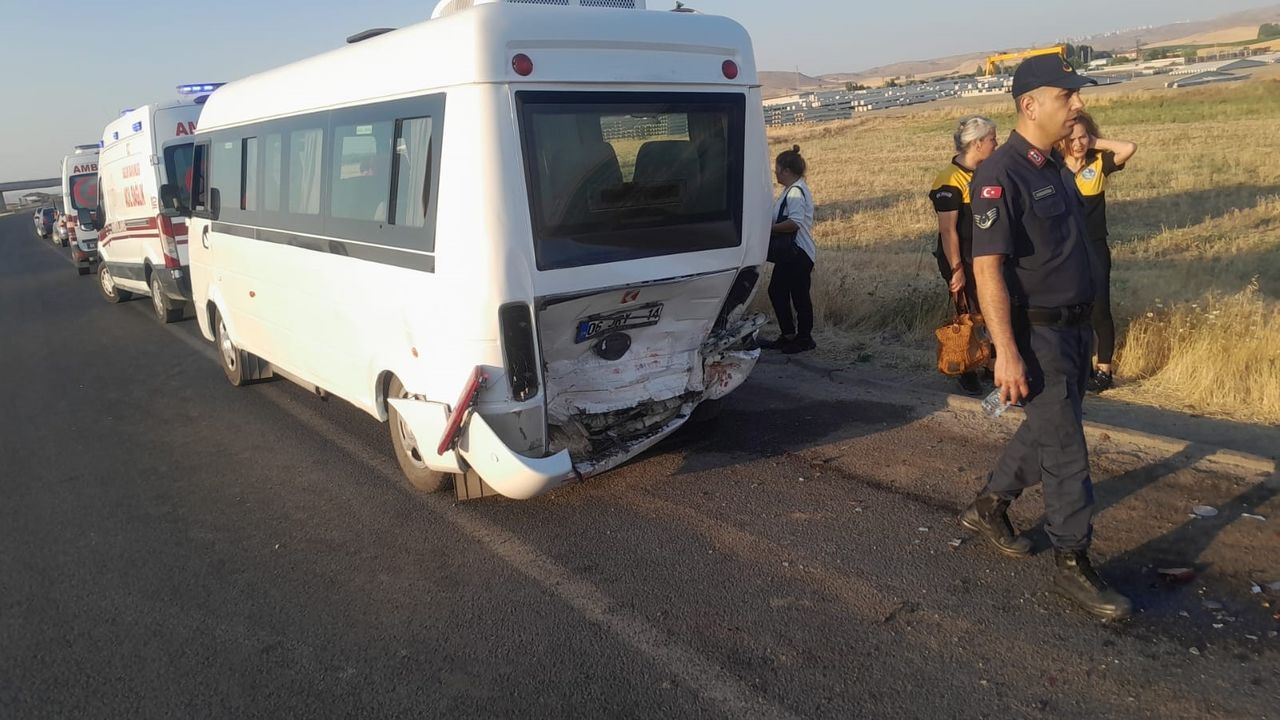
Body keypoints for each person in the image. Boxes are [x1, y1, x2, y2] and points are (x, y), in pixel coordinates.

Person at [961, 54, 1131, 620]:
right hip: (1038, 338)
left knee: (1046, 430)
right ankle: (1072, 562)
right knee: (1066, 451)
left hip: (1075, 331)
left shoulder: (1054, 166)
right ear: (1030, 105)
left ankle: (989, 505)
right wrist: (1006, 353)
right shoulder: (1001, 175)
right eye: (1067, 96)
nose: (1078, 104)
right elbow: (987, 268)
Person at [1058, 112, 1137, 393]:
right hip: (1066, 249)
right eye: (1072, 139)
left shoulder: (1099, 163)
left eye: (1083, 138)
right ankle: (1083, 366)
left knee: (1100, 308)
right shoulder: (1055, 169)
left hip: (1094, 247)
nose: (1078, 143)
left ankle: (1104, 370)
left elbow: (1129, 148)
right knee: (1074, 309)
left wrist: (1095, 142)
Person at [929, 115, 999, 395]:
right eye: (992, 139)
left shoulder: (986, 172)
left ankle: (990, 364)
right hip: (962, 258)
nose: (996, 143)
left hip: (986, 256)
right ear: (978, 143)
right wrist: (957, 269)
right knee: (968, 315)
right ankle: (965, 367)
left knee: (992, 311)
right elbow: (948, 231)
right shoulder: (949, 180)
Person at [761, 145, 817, 354]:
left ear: (786, 170)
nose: (775, 173)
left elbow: (794, 223)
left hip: (798, 253)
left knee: (798, 295)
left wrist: (767, 229)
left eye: (777, 169)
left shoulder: (794, 193)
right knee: (779, 291)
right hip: (793, 254)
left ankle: (804, 338)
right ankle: (790, 336)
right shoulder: (792, 190)